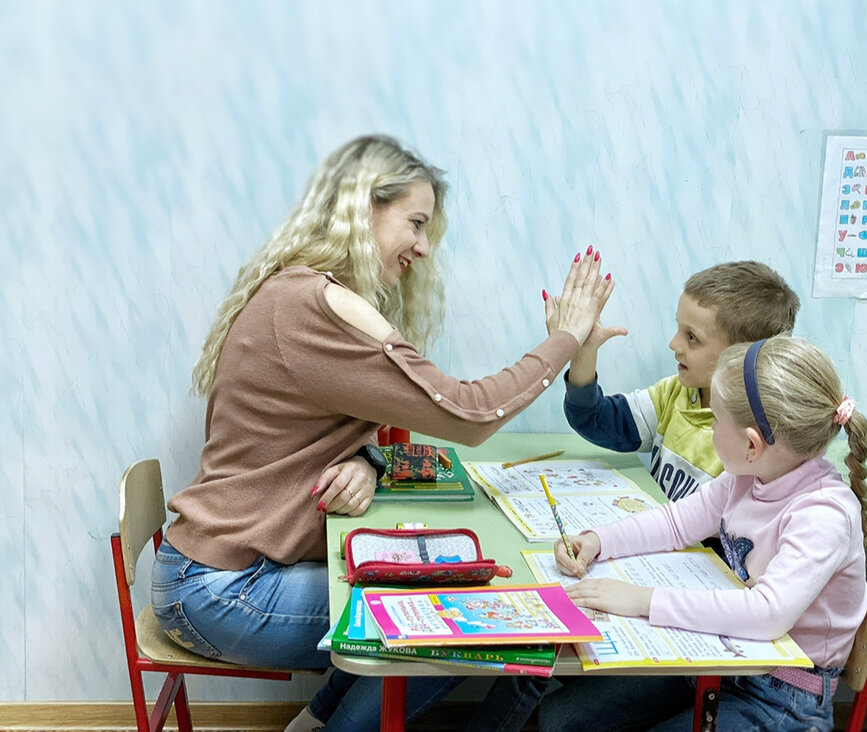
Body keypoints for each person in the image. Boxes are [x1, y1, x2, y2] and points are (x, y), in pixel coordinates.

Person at [149, 134, 615, 732]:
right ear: (364, 207)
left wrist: (367, 459)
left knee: (420, 592)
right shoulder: (317, 306)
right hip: (221, 589)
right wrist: (566, 339)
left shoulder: (299, 291)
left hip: (215, 573)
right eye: (416, 223)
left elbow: (324, 430)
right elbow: (470, 415)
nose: (423, 247)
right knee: (458, 621)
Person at [538, 335, 867, 731]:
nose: (710, 428)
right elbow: (676, 523)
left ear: (751, 444)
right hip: (723, 660)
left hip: (782, 700)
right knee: (560, 718)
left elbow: (767, 615)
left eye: (715, 421)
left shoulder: (824, 515)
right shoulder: (748, 476)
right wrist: (597, 541)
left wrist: (643, 600)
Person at [564, 260, 799, 501]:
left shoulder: (757, 443)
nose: (674, 344)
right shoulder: (674, 394)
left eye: (692, 337)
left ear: (741, 356)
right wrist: (585, 352)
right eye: (679, 329)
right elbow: (592, 418)